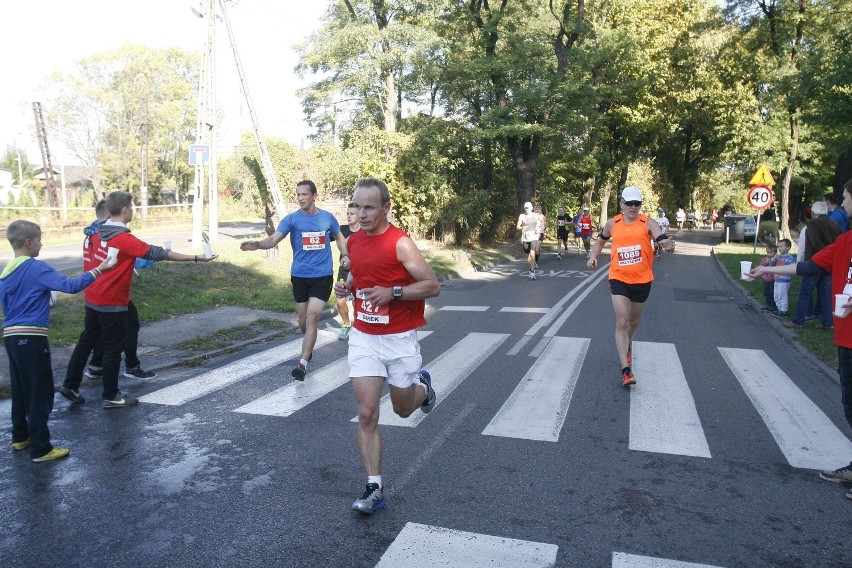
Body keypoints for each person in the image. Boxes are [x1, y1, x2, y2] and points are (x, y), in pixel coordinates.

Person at [334, 177, 440, 514]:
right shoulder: (353, 242)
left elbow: (432, 286)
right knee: (366, 412)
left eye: (368, 207)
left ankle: (423, 388)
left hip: (398, 339)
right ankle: (373, 486)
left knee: (403, 409)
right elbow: (360, 275)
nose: (360, 214)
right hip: (365, 336)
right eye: (356, 206)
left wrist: (394, 292)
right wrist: (347, 287)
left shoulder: (401, 244)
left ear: (385, 208)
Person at [60, 191, 216, 409]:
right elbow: (159, 253)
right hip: (112, 302)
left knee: (86, 342)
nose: (132, 211)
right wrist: (197, 258)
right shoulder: (124, 238)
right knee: (114, 348)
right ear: (124, 209)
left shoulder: (96, 233)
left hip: (92, 297)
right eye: (132, 208)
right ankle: (111, 395)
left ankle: (70, 384)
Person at [751, 178, 852, 502]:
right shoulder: (847, 240)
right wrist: (767, 270)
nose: (844, 202)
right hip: (846, 337)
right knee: (849, 405)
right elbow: (809, 266)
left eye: (847, 196)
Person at [2, 220, 115, 461]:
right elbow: (70, 286)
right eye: (40, 240)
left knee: (21, 389)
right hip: (32, 337)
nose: (42, 244)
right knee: (40, 391)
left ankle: (20, 437)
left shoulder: (6, 271)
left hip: (11, 336)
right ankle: (42, 448)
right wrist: (99, 270)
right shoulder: (36, 268)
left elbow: (11, 304)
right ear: (28, 242)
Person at [241, 180, 349, 380]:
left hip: (322, 275)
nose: (300, 198)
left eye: (305, 194)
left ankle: (303, 363)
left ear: (314, 195)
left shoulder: (327, 218)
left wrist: (344, 254)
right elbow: (274, 239)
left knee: (312, 316)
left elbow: (340, 237)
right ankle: (309, 344)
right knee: (302, 320)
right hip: (300, 275)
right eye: (298, 194)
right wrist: (257, 244)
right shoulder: (292, 219)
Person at [587, 186, 675, 387]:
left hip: (642, 280)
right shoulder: (613, 223)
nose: (633, 208)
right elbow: (600, 242)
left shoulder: (647, 222)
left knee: (634, 321)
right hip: (618, 278)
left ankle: (626, 346)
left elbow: (662, 239)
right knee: (622, 320)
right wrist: (593, 256)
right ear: (621, 204)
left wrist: (668, 245)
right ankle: (626, 371)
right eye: (629, 204)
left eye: (637, 204)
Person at [82, 200, 156, 380]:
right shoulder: (110, 235)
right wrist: (151, 258)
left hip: (93, 291)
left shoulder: (91, 234)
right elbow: (130, 256)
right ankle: (129, 367)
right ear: (111, 215)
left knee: (97, 331)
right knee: (127, 327)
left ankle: (95, 366)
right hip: (111, 293)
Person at [785, 202, 840, 329]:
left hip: (813, 263)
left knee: (805, 292)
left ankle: (798, 321)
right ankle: (828, 322)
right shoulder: (835, 225)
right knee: (826, 294)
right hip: (830, 264)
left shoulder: (809, 226)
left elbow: (803, 248)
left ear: (813, 213)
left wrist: (799, 265)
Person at [336, 202, 360, 340]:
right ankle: (346, 324)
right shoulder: (341, 230)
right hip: (344, 271)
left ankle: (358, 325)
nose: (349, 216)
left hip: (359, 271)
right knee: (340, 300)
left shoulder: (364, 231)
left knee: (357, 301)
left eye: (352, 214)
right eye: (347, 214)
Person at [769, 239, 796, 318]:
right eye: (778, 247)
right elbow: (771, 265)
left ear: (788, 247)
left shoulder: (790, 258)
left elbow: (793, 268)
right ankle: (779, 309)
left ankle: (783, 310)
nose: (779, 248)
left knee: (782, 295)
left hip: (784, 280)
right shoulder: (778, 256)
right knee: (776, 295)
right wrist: (773, 259)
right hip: (777, 279)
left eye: (781, 246)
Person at [516, 202, 541, 280]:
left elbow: (541, 223)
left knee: (532, 254)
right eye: (525, 208)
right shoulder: (522, 216)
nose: (527, 209)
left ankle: (533, 272)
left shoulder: (535, 215)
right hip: (525, 238)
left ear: (531, 208)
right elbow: (517, 227)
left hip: (534, 237)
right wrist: (522, 227)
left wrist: (538, 230)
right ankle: (530, 269)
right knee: (528, 256)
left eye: (528, 208)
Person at [758, 244, 779, 315]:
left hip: (773, 280)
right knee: (766, 293)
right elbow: (761, 266)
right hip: (766, 279)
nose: (769, 254)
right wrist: (767, 262)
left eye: (771, 252)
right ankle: (769, 305)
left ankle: (773, 306)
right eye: (768, 252)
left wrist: (773, 260)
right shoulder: (764, 259)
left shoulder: (776, 260)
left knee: (772, 293)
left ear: (775, 253)